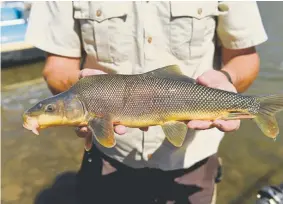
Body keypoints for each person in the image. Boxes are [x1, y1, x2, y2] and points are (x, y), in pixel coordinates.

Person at [26, 2, 267, 204]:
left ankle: (259, 108)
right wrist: (79, 84)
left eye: (50, 109)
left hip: (192, 160)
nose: (48, 111)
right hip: (110, 160)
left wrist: (225, 79)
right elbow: (57, 67)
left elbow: (244, 58)